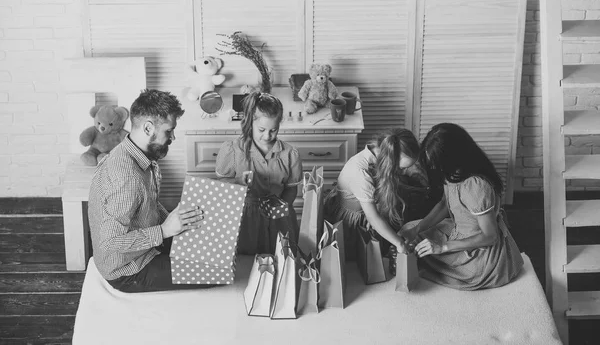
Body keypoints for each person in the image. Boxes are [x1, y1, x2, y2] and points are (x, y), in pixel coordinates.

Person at [88, 89, 209, 293]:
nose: (172, 137)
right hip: (127, 270)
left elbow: (145, 204)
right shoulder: (127, 178)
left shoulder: (135, 153)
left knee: (207, 248)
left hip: (146, 245)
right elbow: (109, 242)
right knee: (212, 271)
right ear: (148, 128)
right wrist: (164, 231)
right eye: (168, 131)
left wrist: (173, 219)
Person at [401, 122, 524, 290]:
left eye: (436, 162)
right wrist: (418, 229)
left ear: (453, 157)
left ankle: (457, 268)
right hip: (457, 231)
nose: (434, 167)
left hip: (479, 251)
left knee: (424, 253)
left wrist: (442, 247)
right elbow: (445, 204)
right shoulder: (451, 173)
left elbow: (490, 236)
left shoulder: (475, 186)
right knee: (411, 229)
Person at [215, 91, 303, 255]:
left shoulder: (290, 154)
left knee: (280, 256)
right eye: (261, 129)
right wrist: (239, 182)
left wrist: (282, 206)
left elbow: (291, 188)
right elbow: (221, 185)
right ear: (250, 123)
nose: (267, 136)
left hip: (279, 217)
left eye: (273, 130)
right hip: (246, 216)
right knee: (248, 261)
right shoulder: (233, 150)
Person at [324, 128, 429, 256]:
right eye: (401, 168)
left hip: (367, 210)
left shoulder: (380, 153)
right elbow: (373, 217)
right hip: (351, 222)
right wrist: (399, 244)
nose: (402, 173)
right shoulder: (361, 174)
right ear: (390, 160)